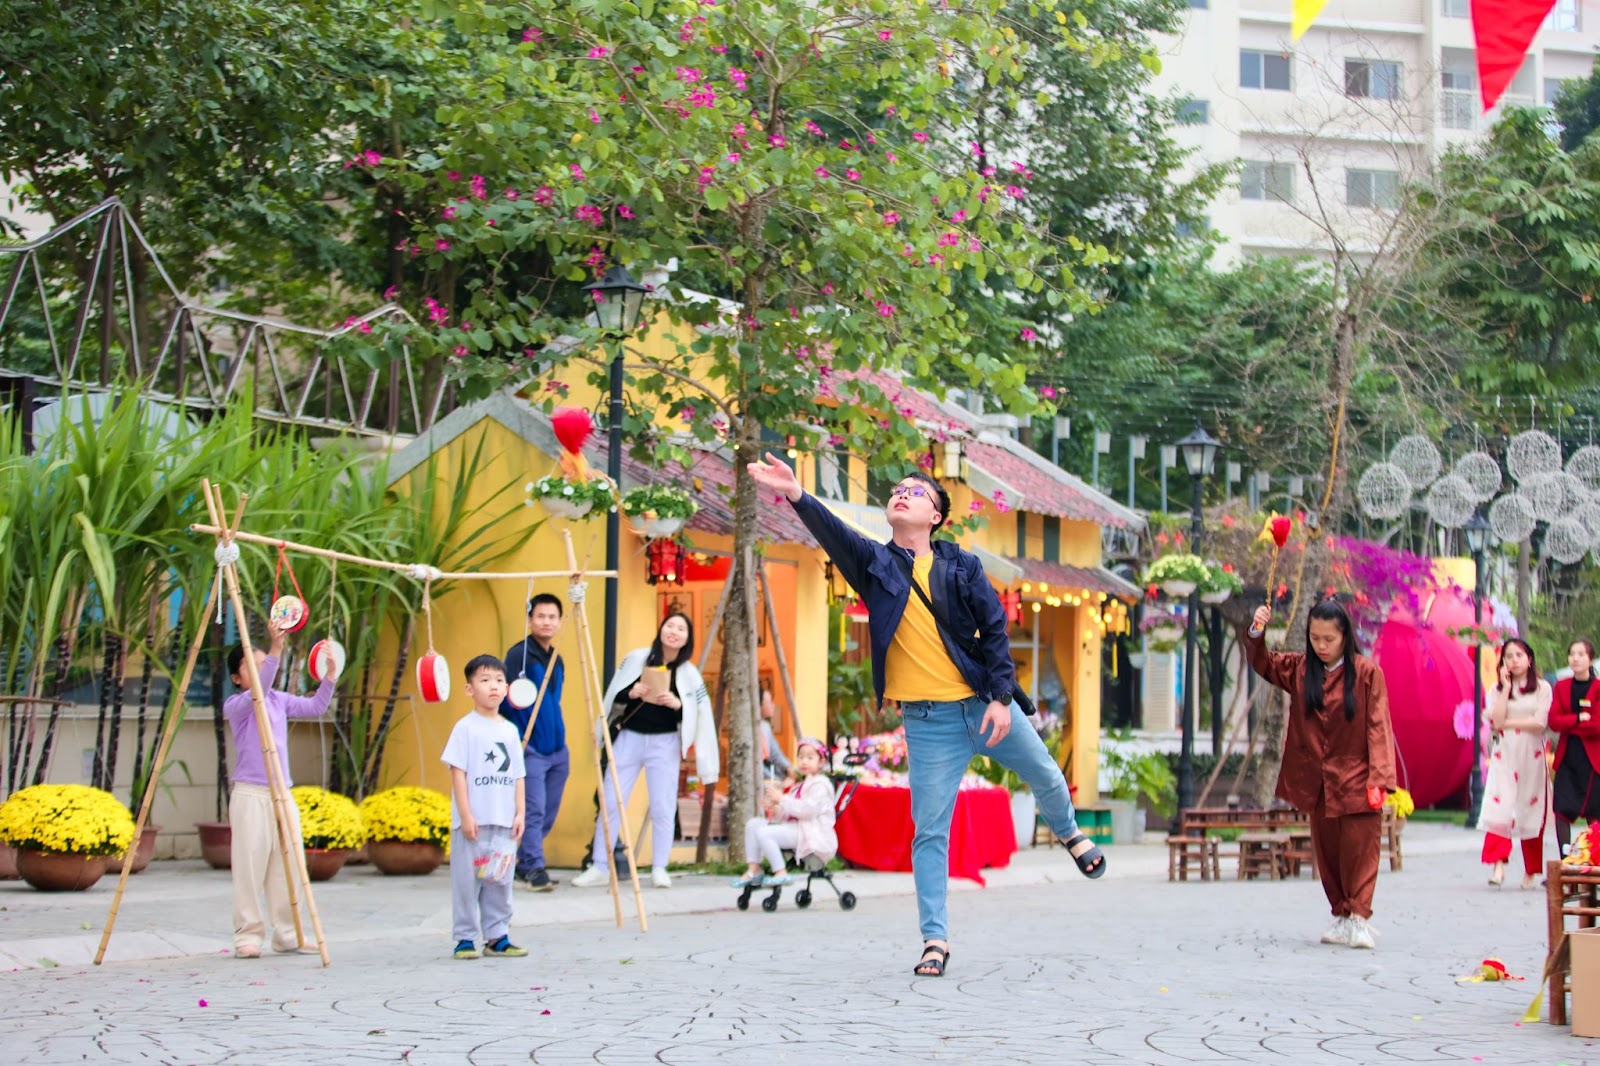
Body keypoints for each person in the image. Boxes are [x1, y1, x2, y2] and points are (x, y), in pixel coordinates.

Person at [747, 454, 1103, 979]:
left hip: (984, 705)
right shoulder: (875, 565)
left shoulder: (962, 566)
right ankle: (935, 940)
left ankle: (1070, 835)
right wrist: (796, 493)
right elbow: (834, 533)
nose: (902, 494)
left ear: (936, 516)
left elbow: (996, 633)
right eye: (898, 489)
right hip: (929, 722)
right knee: (929, 831)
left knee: (1047, 774)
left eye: (916, 492)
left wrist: (1003, 699)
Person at [1246, 599, 1396, 950]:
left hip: (1358, 776)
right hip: (1318, 778)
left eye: (1329, 638)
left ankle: (1359, 916)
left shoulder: (1367, 673)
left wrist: (1380, 778)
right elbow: (1263, 663)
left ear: (1345, 636)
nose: (1322, 646)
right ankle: (1341, 914)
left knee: (1361, 848)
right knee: (1327, 852)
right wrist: (1257, 630)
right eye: (1315, 638)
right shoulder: (1300, 669)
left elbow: (1378, 726)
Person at [570, 611, 718, 890]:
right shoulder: (636, 659)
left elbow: (700, 713)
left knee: (662, 805)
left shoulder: (689, 674)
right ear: (661, 629)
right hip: (629, 737)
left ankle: (660, 867)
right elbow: (615, 694)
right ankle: (600, 865)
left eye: (681, 629)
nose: (674, 631)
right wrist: (632, 692)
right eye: (670, 625)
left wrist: (677, 705)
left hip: (665, 743)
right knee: (611, 800)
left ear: (688, 638)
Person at [223, 619, 334, 959]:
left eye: (264, 665)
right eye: (253, 667)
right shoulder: (237, 705)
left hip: (282, 794)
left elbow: (317, 706)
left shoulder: (279, 700)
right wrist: (275, 649)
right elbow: (258, 690)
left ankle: (288, 933)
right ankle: (248, 934)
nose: (261, 671)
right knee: (249, 867)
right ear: (237, 678)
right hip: (251, 795)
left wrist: (329, 676)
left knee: (288, 867)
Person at [442, 655, 527, 960]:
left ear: (507, 688)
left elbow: (518, 775)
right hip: (473, 824)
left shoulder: (510, 730)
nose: (494, 686)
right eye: (485, 680)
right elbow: (458, 774)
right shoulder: (465, 729)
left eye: (499, 680)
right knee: (467, 882)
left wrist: (520, 813)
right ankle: (465, 937)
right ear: (469, 689)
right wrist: (465, 815)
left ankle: (497, 936)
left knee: (500, 881)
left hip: (503, 822)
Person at [499, 593, 569, 891]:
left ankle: (526, 861)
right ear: (530, 620)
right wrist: (519, 741)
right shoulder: (519, 655)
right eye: (540, 616)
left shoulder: (558, 658)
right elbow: (507, 700)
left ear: (559, 621)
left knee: (549, 809)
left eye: (552, 617)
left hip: (557, 749)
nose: (546, 622)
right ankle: (534, 867)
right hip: (532, 747)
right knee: (533, 808)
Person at [1478, 638, 1552, 889]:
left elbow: (1540, 723)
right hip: (1505, 755)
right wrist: (1506, 689)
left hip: (1531, 756)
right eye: (1509, 656)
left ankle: (1531, 871)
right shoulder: (1496, 690)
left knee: (1529, 810)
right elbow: (1496, 719)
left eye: (1519, 655)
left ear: (1529, 659)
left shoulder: (1542, 688)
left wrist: (1507, 724)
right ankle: (1498, 866)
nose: (1514, 660)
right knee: (1500, 807)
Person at [733, 737, 837, 888]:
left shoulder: (820, 786)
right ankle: (754, 868)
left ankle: (780, 872)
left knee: (764, 832)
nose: (804, 761)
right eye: (801, 757)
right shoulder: (800, 785)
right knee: (753, 824)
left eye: (810, 757)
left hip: (811, 833)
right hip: (797, 828)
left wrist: (782, 799)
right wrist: (774, 806)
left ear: (821, 762)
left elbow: (807, 811)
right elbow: (787, 813)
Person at [1551, 639, 1600, 859]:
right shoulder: (1561, 687)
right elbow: (1554, 721)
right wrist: (1578, 719)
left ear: (1590, 659)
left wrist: (1569, 724)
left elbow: (1597, 726)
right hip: (1567, 758)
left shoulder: (1598, 688)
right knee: (1561, 809)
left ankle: (1592, 859)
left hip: (1592, 760)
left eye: (1581, 654)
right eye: (1572, 653)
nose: (1576, 658)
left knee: (1594, 812)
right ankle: (1565, 861)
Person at [759, 688, 791, 779]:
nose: (773, 705)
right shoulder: (748, 730)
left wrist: (789, 768)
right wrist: (776, 781)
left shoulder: (765, 727)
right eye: (769, 702)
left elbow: (776, 753)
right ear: (758, 705)